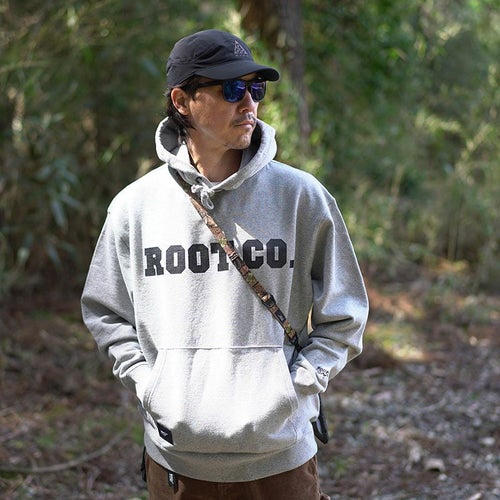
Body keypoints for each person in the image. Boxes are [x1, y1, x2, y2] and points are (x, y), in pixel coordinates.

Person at [81, 29, 369, 499]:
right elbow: (105, 311)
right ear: (182, 101)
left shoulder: (301, 197)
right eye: (232, 89)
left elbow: (346, 313)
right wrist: (149, 384)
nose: (249, 103)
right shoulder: (135, 207)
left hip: (278, 457)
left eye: (256, 88)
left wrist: (298, 386)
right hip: (176, 459)